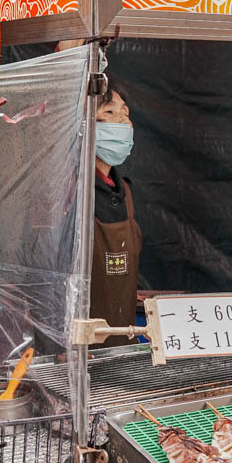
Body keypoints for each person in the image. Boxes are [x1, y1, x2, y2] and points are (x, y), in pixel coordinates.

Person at [91, 84, 142, 337]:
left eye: (125, 113)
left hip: (123, 333)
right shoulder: (71, 189)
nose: (123, 121)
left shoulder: (125, 191)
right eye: (109, 113)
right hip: (79, 346)